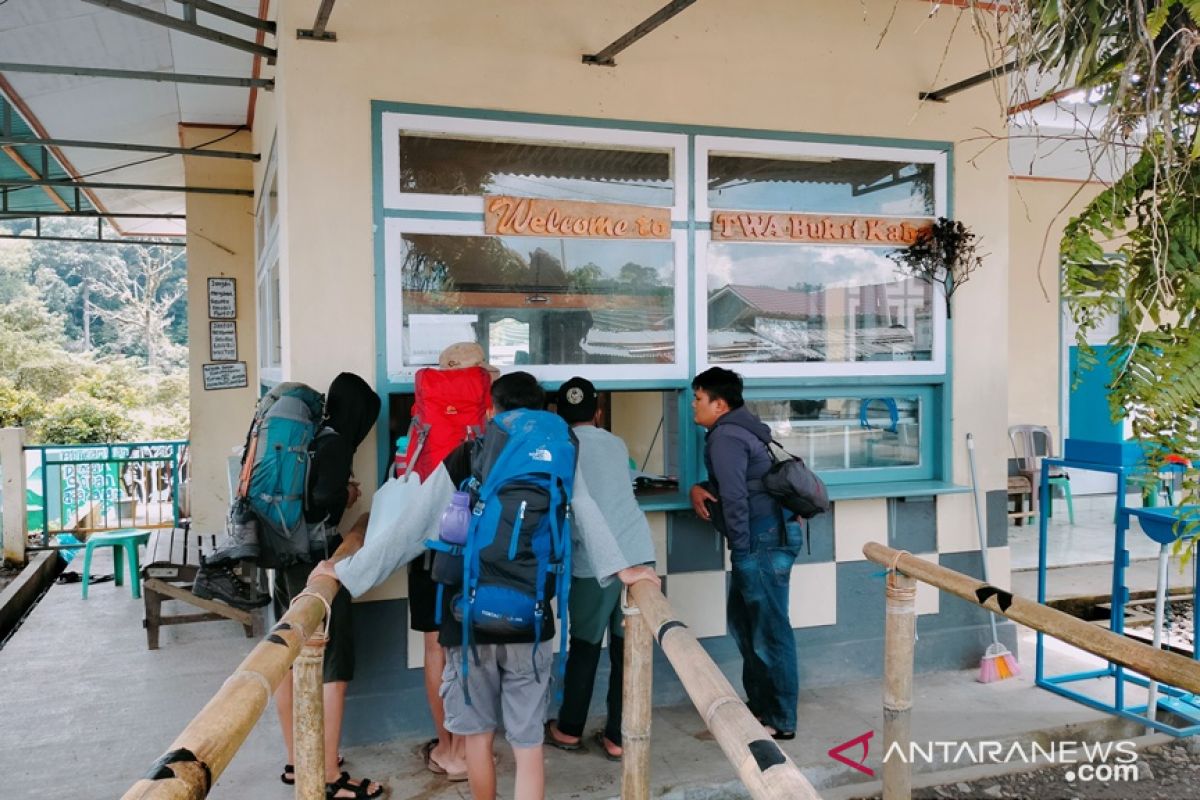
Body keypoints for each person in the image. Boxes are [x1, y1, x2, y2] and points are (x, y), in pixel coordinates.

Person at [312, 372, 659, 800]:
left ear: (492, 410)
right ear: (541, 410)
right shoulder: (560, 453)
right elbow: (586, 512)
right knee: (528, 744)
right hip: (531, 617)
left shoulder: (469, 452)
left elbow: (411, 528)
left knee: (477, 737)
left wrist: (345, 573)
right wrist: (624, 569)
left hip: (468, 614)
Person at [271, 371, 386, 800]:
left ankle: (295, 761)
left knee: (286, 656)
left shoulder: (310, 434)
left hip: (284, 556)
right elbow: (322, 499)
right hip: (317, 564)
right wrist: (347, 495)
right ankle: (327, 774)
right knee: (332, 667)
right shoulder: (335, 442)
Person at [545, 376, 656, 761]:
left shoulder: (560, 447)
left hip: (593, 562)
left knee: (585, 648)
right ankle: (618, 738)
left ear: (558, 413)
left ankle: (570, 729)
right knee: (628, 651)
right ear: (598, 411)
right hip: (639, 556)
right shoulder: (616, 443)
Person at [688, 366, 801, 740]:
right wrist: (702, 487)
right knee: (748, 625)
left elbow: (736, 497)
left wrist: (741, 549)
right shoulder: (743, 428)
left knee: (768, 631)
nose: (694, 405)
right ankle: (761, 709)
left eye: (699, 398)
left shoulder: (726, 436)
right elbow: (741, 482)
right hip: (768, 534)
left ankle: (781, 719)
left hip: (760, 541)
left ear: (719, 404)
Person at [408, 342, 496, 782]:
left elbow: (404, 481)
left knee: (435, 646)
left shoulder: (421, 420)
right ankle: (475, 749)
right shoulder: (493, 417)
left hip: (431, 544)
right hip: (481, 543)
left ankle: (448, 750)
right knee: (473, 645)